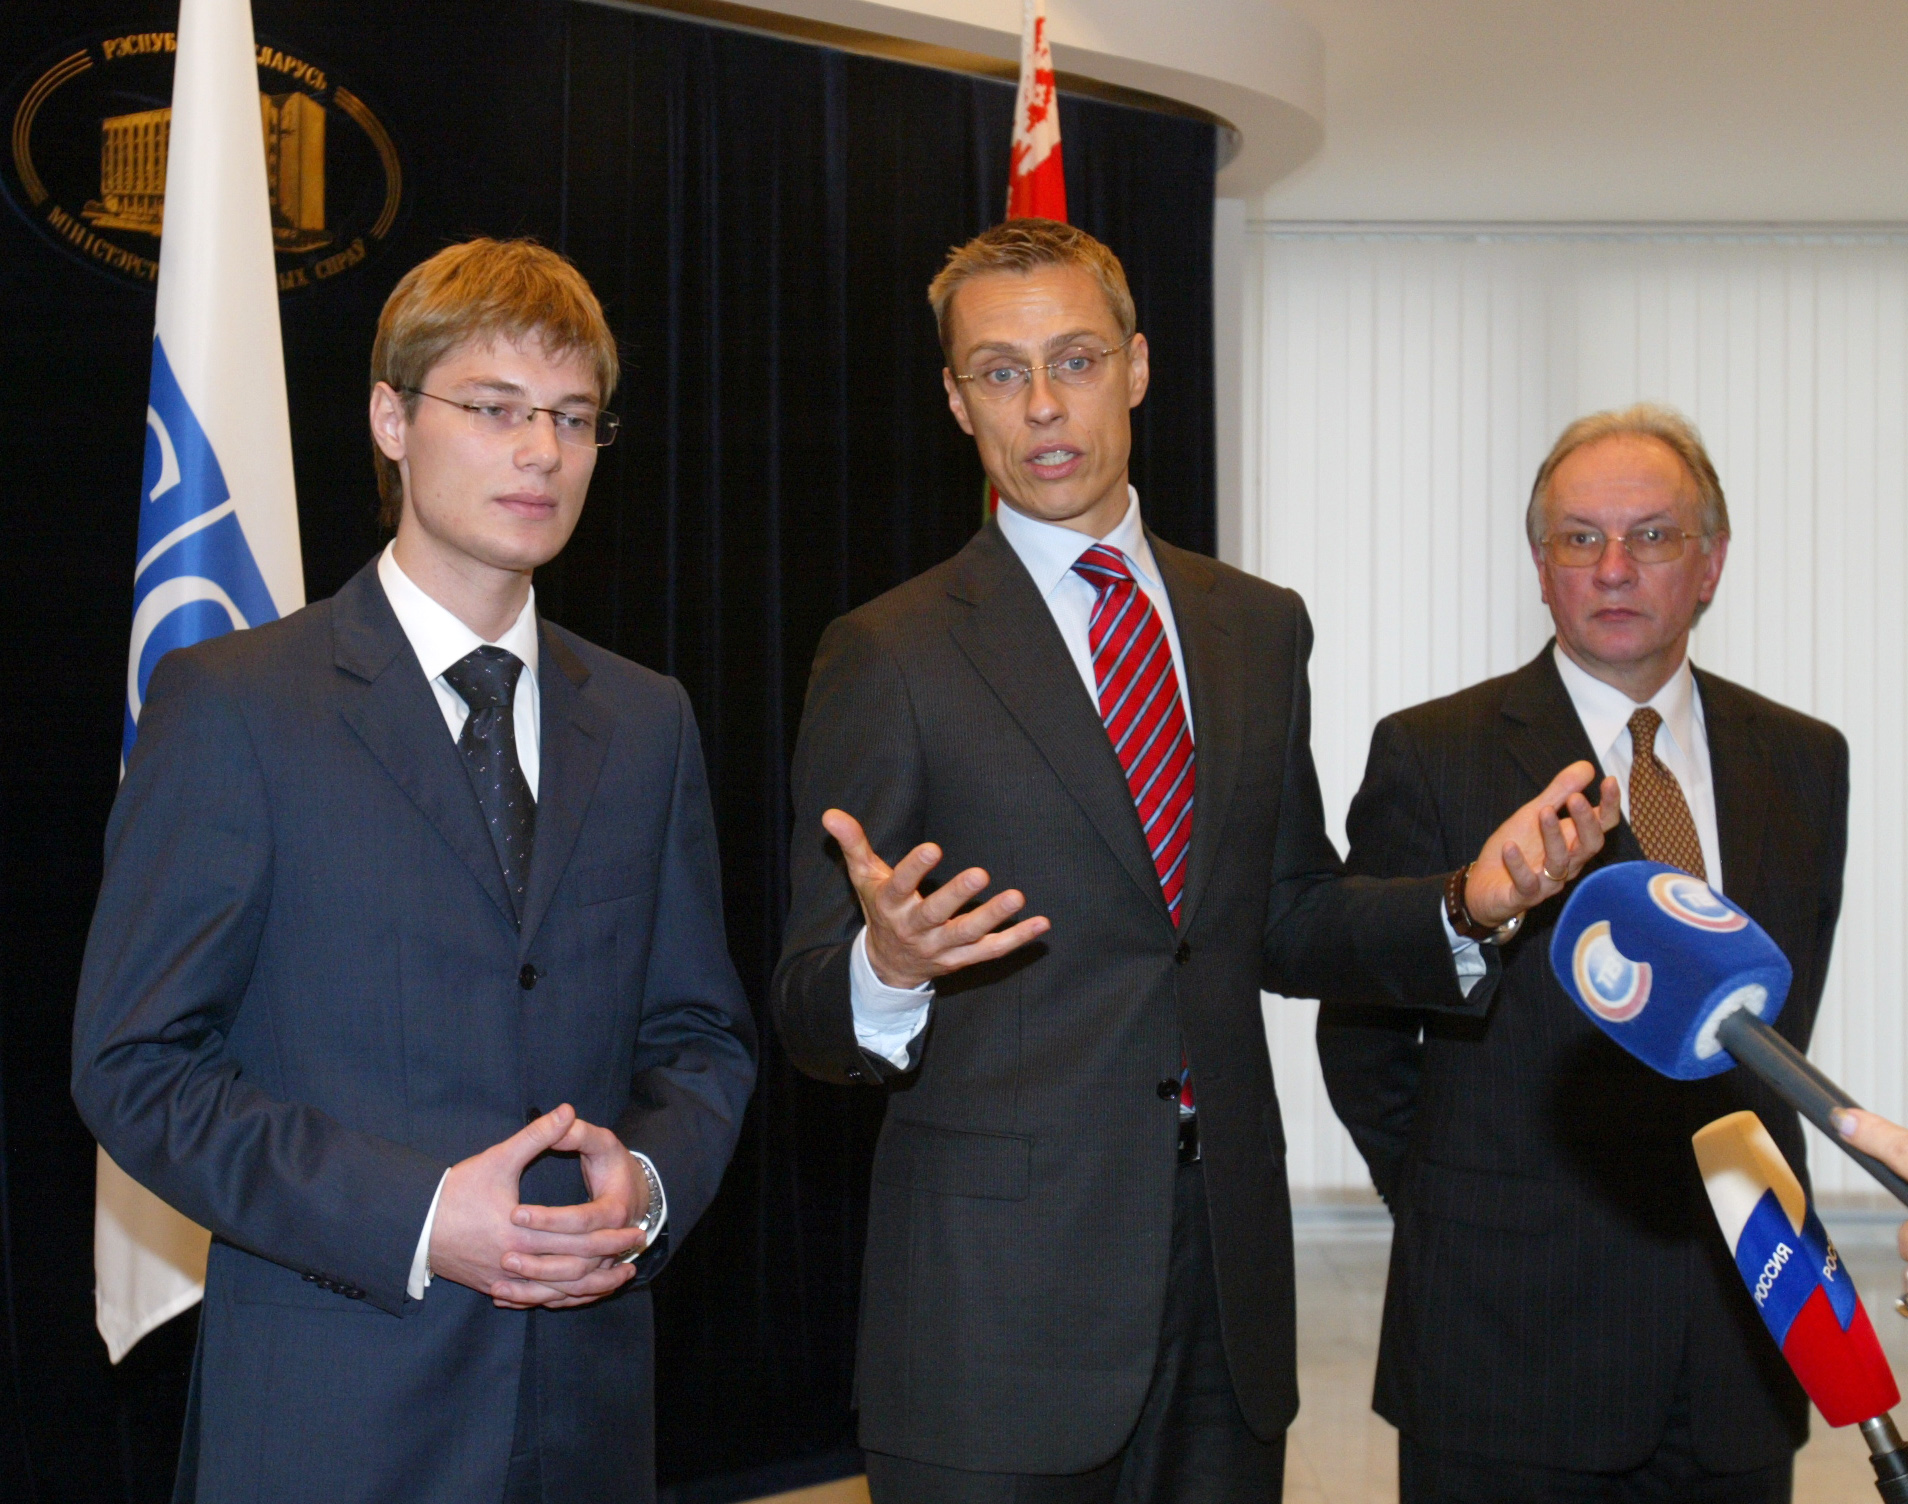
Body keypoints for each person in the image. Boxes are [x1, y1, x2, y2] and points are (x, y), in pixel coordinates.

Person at [771, 218, 1617, 1504]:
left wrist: (1469, 900)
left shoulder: (1255, 626)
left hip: (1224, 1299)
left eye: (1075, 360)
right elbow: (805, 1001)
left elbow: (1286, 915)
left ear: (1138, 367)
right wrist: (885, 965)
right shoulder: (890, 651)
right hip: (993, 1323)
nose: (1042, 404)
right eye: (999, 371)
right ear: (955, 400)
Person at [71, 239, 757, 1504]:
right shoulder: (238, 705)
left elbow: (701, 1036)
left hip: (587, 1418)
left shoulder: (646, 718)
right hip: (334, 1422)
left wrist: (649, 1183)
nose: (540, 452)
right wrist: (421, 1216)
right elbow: (136, 1064)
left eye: (572, 418)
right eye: (495, 408)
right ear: (392, 420)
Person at [1317, 403, 1850, 1503]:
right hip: (1505, 1339)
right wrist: (1458, 1207)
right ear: (1541, 566)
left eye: (1652, 535)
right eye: (1579, 537)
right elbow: (1362, 1031)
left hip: (1742, 1338)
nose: (1613, 567)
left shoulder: (1805, 759)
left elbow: (1773, 1033)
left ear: (1710, 563)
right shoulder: (1434, 753)